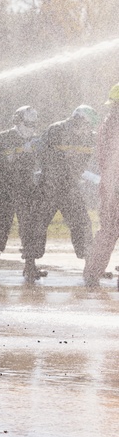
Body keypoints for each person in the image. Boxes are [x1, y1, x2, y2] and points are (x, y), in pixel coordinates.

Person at [24, 105, 98, 282]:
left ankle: (91, 266)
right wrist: (62, 156)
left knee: (82, 224)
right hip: (48, 186)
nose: (86, 130)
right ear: (78, 120)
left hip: (70, 187)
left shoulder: (89, 137)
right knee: (37, 225)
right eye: (85, 126)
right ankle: (29, 266)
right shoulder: (56, 129)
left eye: (89, 128)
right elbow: (40, 152)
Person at [0, 106, 39, 279]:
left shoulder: (37, 140)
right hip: (4, 190)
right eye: (28, 122)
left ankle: (30, 267)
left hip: (27, 190)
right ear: (18, 121)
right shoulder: (3, 138)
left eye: (33, 123)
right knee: (0, 227)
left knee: (29, 229)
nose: (30, 126)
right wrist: (5, 159)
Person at [85, 86, 119, 287]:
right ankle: (92, 272)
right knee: (109, 230)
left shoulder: (108, 123)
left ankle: (92, 273)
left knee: (107, 230)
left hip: (110, 185)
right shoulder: (114, 125)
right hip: (115, 185)